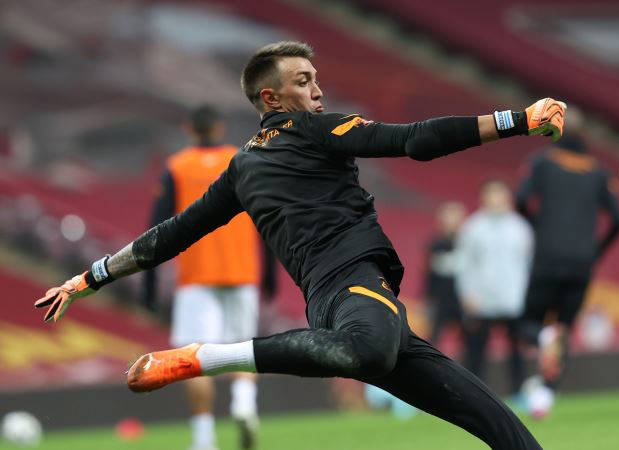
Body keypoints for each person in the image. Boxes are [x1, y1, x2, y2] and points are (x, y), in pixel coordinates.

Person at [34, 41, 566, 450]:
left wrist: (89, 277)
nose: (318, 91)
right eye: (304, 81)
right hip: (356, 290)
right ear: (271, 98)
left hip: (343, 304)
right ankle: (207, 357)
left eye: (316, 79)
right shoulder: (316, 131)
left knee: (503, 429)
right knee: (370, 350)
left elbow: (170, 235)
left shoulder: (241, 169)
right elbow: (414, 140)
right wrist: (518, 120)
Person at [143, 105, 276, 450]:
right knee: (242, 348)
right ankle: (244, 405)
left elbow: (157, 229)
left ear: (189, 128)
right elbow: (266, 217)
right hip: (242, 273)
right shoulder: (243, 161)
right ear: (219, 127)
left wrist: (149, 284)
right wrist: (270, 274)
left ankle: (204, 439)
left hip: (196, 278)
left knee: (194, 356)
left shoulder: (177, 167)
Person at [516, 115, 619, 417]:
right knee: (564, 328)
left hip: (548, 257)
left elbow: (521, 199)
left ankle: (542, 338)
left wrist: (538, 227)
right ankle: (546, 395)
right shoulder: (597, 172)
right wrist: (595, 251)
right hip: (581, 263)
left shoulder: (542, 162)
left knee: (527, 324)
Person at [456, 180, 533, 399]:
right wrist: (467, 294)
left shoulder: (520, 227)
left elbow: (527, 263)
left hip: (513, 298)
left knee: (517, 350)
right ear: (484, 199)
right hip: (482, 299)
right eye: (491, 195)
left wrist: (527, 294)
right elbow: (464, 264)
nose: (495, 200)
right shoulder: (473, 228)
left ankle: (519, 392)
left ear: (508, 198)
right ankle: (476, 395)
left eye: (500, 195)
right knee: (477, 351)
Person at [424, 201, 466, 347]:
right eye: (447, 218)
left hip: (463, 299)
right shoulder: (435, 244)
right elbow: (429, 275)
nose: (451, 223)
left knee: (468, 338)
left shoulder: (469, 244)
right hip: (440, 299)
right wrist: (428, 299)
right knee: (433, 339)